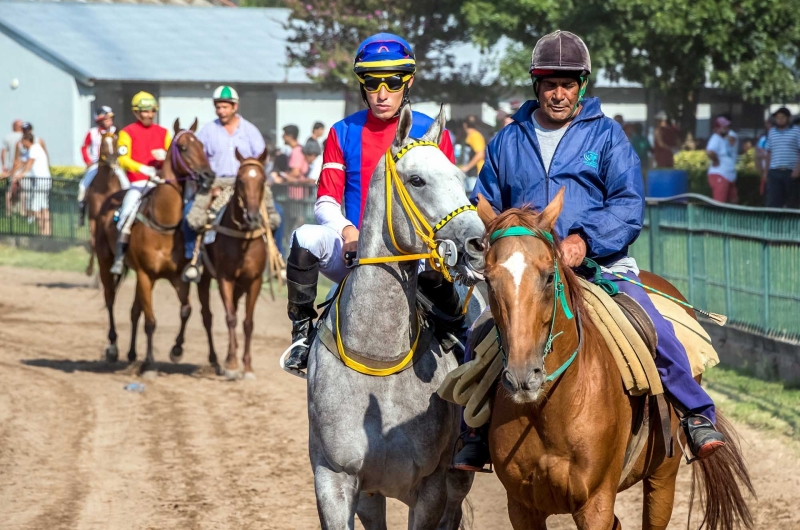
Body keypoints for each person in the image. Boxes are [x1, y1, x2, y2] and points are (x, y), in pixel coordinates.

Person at [459, 29, 726, 471]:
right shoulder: (507, 141)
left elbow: (628, 204)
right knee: (481, 336)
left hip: (601, 268)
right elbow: (485, 202)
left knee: (651, 327)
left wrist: (584, 239)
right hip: (529, 274)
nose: (558, 94)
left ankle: (696, 415)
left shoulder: (607, 136)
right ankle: (472, 435)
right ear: (536, 86)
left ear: (581, 86)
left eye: (567, 84)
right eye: (549, 84)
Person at [282, 32, 457, 372]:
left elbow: (448, 201)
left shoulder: (432, 131)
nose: (382, 93)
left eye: (392, 82)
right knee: (304, 237)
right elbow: (326, 201)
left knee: (441, 280)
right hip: (356, 252)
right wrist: (348, 232)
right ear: (362, 85)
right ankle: (302, 334)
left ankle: (455, 333)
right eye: (372, 82)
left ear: (408, 82)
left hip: (415, 254)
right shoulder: (341, 131)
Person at [180, 85, 270, 281]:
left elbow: (262, 161)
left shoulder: (250, 131)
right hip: (215, 183)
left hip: (247, 184)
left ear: (235, 106)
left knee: (275, 213)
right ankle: (192, 259)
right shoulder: (207, 131)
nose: (221, 111)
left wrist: (257, 183)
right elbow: (198, 160)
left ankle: (276, 259)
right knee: (189, 214)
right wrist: (207, 186)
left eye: (225, 107)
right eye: (218, 107)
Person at [110, 92, 172, 276]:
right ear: (137, 113)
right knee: (126, 214)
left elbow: (174, 157)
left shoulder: (164, 133)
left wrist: (167, 157)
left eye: (151, 111)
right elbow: (122, 159)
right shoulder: (127, 133)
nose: (149, 115)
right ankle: (120, 256)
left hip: (161, 182)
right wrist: (143, 169)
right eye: (145, 111)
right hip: (139, 183)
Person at [77, 106, 121, 226]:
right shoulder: (91, 133)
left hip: (113, 164)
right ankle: (81, 212)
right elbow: (84, 147)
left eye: (111, 118)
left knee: (125, 183)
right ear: (100, 120)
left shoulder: (115, 131)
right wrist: (88, 161)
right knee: (83, 186)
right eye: (107, 118)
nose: (110, 121)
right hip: (96, 164)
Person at [11, 132, 51, 235]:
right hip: (45, 181)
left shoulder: (34, 149)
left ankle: (42, 232)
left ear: (26, 141)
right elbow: (23, 162)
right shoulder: (37, 148)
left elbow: (28, 165)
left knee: (35, 208)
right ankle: (47, 232)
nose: (22, 145)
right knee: (44, 208)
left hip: (40, 182)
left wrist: (19, 176)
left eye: (22, 142)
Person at [763, 107, 800, 209]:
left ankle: (791, 224)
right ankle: (773, 224)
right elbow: (768, 153)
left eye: (783, 117)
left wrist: (798, 169)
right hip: (775, 171)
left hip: (790, 172)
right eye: (777, 117)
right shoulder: (772, 132)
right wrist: (766, 171)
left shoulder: (796, 131)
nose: (780, 119)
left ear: (788, 118)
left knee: (792, 203)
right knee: (773, 202)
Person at [705, 115, 739, 203]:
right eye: (724, 127)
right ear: (717, 128)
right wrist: (715, 160)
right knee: (720, 203)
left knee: (733, 200)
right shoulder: (715, 138)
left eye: (727, 126)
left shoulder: (724, 139)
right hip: (720, 173)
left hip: (728, 175)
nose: (726, 129)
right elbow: (710, 152)